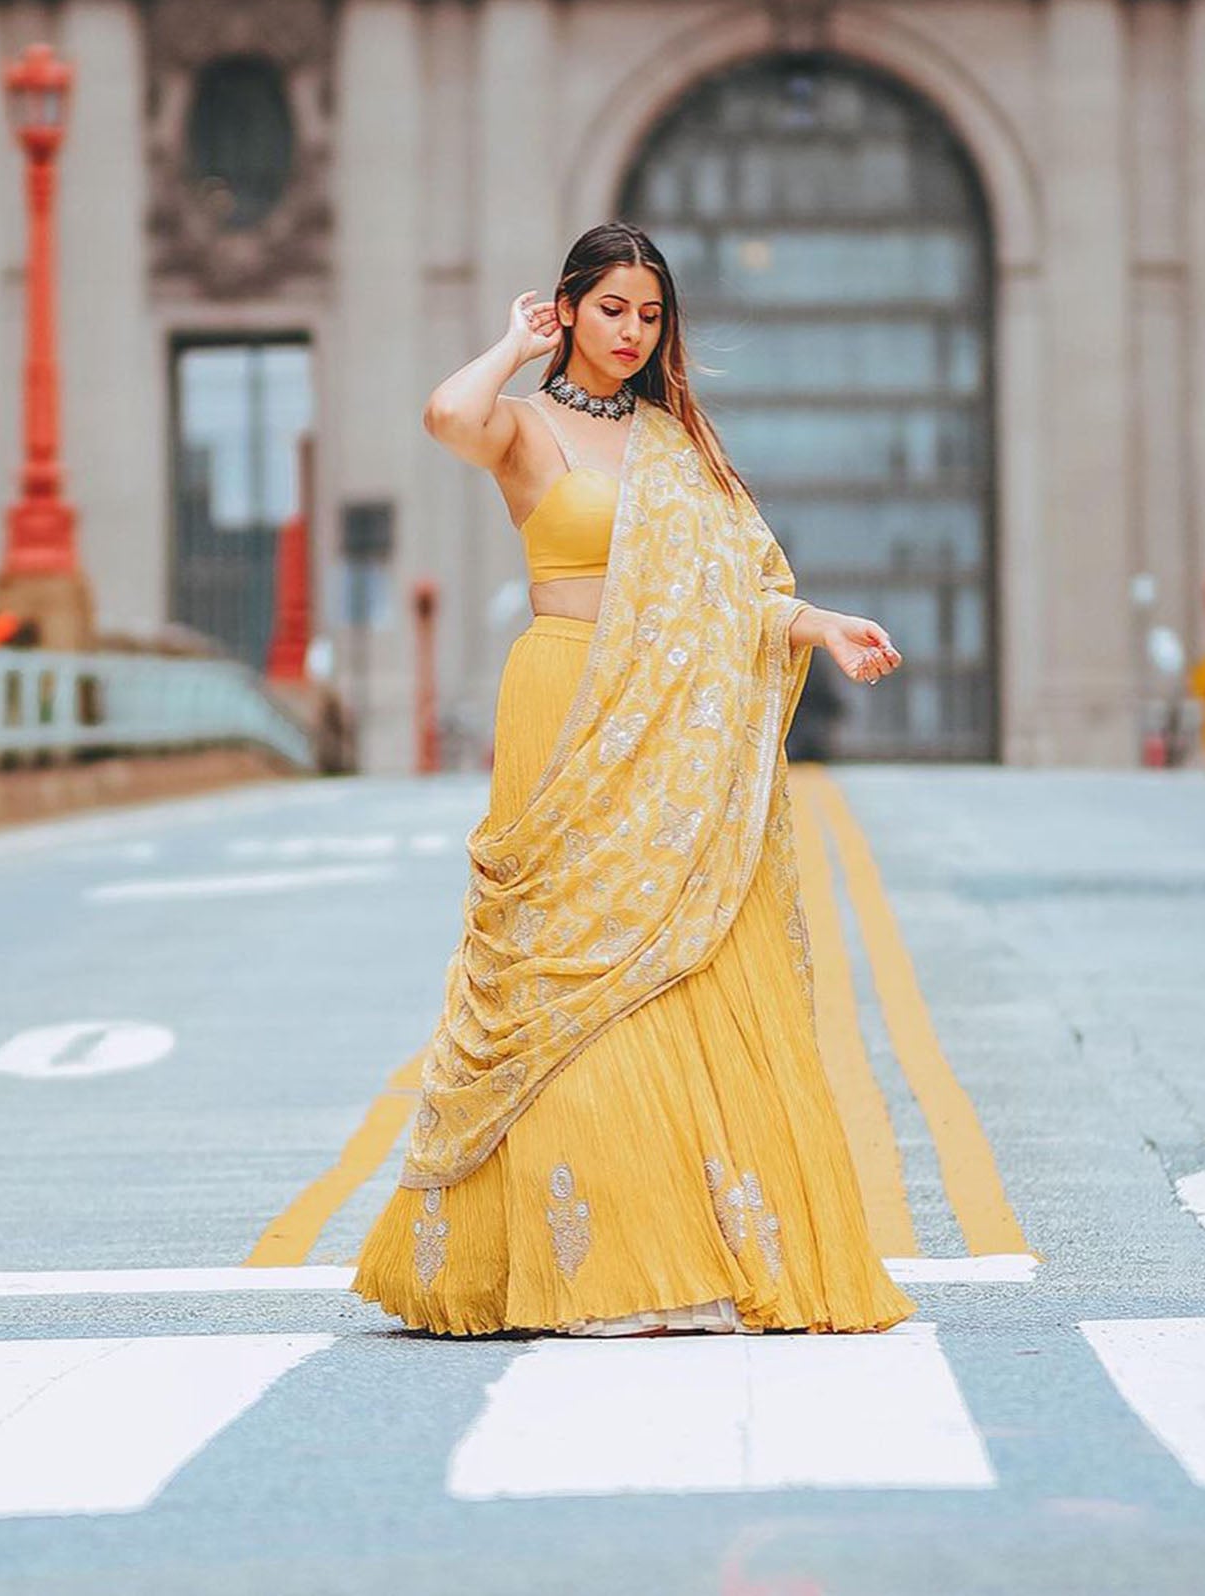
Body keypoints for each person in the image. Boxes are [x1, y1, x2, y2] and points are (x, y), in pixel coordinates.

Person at [351, 222, 917, 1337]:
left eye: (649, 315)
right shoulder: (520, 426)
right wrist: (513, 345)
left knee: (669, 972)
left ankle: (678, 1255)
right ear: (569, 307)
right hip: (561, 701)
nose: (631, 332)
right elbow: (444, 419)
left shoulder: (676, 447)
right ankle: (577, 1264)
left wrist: (821, 625)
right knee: (559, 977)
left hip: (666, 728)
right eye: (610, 308)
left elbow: (729, 595)